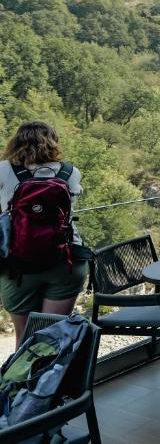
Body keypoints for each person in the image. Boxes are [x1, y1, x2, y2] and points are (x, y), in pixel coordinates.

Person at [0, 121, 88, 346]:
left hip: (18, 267)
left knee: (24, 339)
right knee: (52, 336)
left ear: (16, 142)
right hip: (65, 261)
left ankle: (23, 370)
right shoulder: (70, 172)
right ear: (53, 142)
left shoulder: (2, 170)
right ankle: (56, 370)